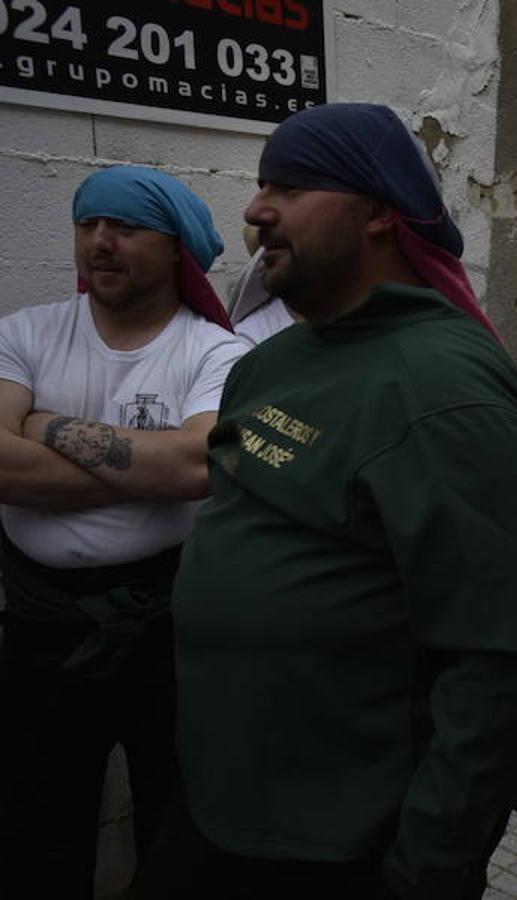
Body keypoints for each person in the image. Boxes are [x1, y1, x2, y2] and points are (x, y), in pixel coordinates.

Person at [137, 103, 517, 900]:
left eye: (293, 186)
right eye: (263, 183)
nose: (258, 209)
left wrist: (426, 866)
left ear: (376, 213)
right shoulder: (273, 363)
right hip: (221, 809)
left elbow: (501, 666)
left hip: (339, 844)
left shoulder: (445, 393)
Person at [0, 166, 247, 900]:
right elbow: (175, 467)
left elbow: (196, 466)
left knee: (175, 815)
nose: (100, 243)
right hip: (41, 627)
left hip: (166, 625)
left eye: (126, 227)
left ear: (177, 249)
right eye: (88, 225)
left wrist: (40, 428)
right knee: (34, 823)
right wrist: (151, 468)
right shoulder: (26, 332)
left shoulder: (214, 352)